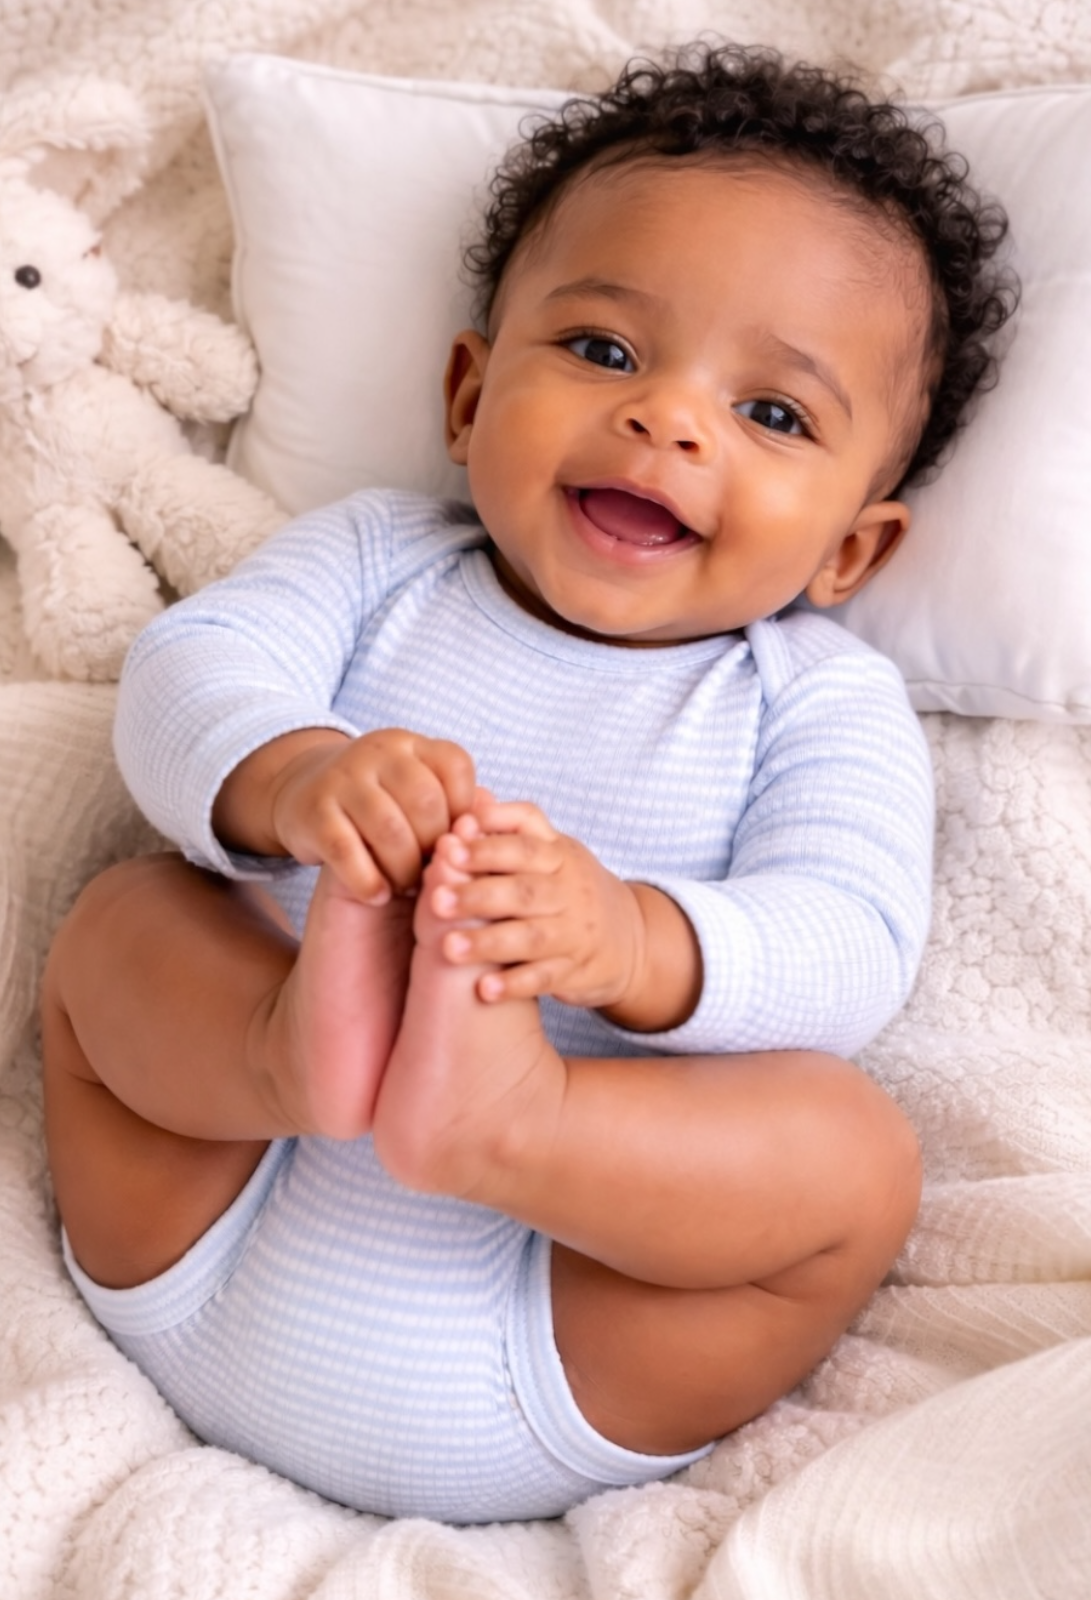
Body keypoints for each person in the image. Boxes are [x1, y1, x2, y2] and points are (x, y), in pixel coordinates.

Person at [40, 45, 1015, 1524]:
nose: (670, 421)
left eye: (774, 416)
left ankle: (515, 1118)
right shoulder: (378, 560)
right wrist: (296, 776)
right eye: (607, 352)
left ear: (850, 552)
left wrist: (632, 943)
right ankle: (288, 1043)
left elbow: (850, 939)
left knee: (854, 1164)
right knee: (121, 924)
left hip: (556, 1330)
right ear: (468, 391)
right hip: (215, 1205)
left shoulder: (813, 697)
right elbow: (193, 669)